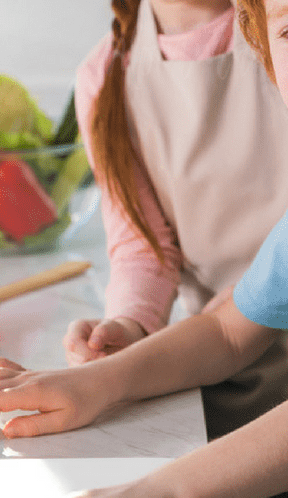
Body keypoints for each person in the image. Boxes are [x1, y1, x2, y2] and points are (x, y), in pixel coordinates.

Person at [0, 2, 288, 498]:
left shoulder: (264, 24)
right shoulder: (109, 76)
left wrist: (170, 493)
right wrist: (105, 372)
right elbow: (222, 326)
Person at [61, 0, 288, 441]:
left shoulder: (275, 20)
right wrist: (129, 326)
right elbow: (143, 244)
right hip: (218, 361)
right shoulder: (104, 75)